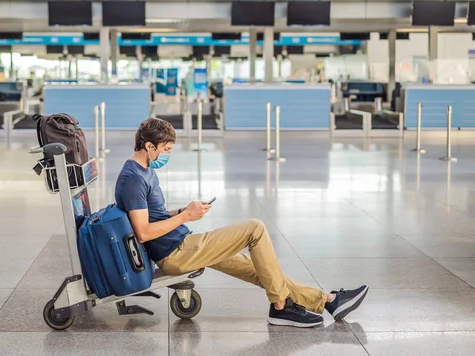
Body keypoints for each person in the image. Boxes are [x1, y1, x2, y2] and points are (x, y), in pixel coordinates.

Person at [115, 118, 368, 328]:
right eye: (165, 149)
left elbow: (153, 215)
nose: (167, 155)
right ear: (149, 145)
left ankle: (328, 300)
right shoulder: (135, 179)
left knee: (262, 271)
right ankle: (280, 306)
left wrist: (182, 210)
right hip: (176, 253)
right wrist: (185, 216)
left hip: (182, 243)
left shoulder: (144, 171)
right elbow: (144, 232)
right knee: (255, 229)